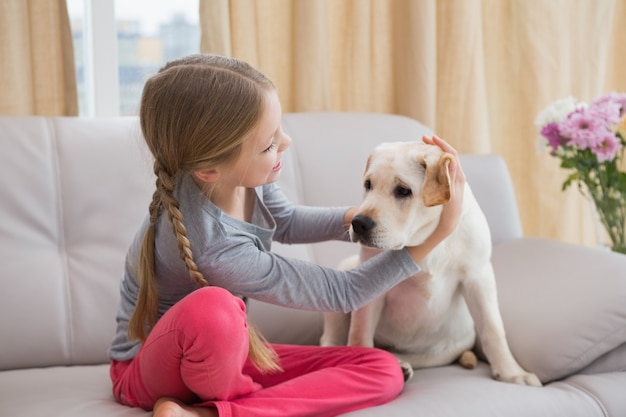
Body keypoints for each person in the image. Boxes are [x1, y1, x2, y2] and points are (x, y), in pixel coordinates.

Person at [108, 54, 466, 417]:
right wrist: (439, 232)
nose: (287, 143)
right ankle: (224, 408)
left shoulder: (237, 177)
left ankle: (206, 412)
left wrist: (368, 220)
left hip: (224, 359)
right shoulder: (215, 247)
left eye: (279, 130)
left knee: (383, 368)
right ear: (208, 169)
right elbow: (344, 292)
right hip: (149, 372)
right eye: (269, 144)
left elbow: (288, 221)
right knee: (215, 310)